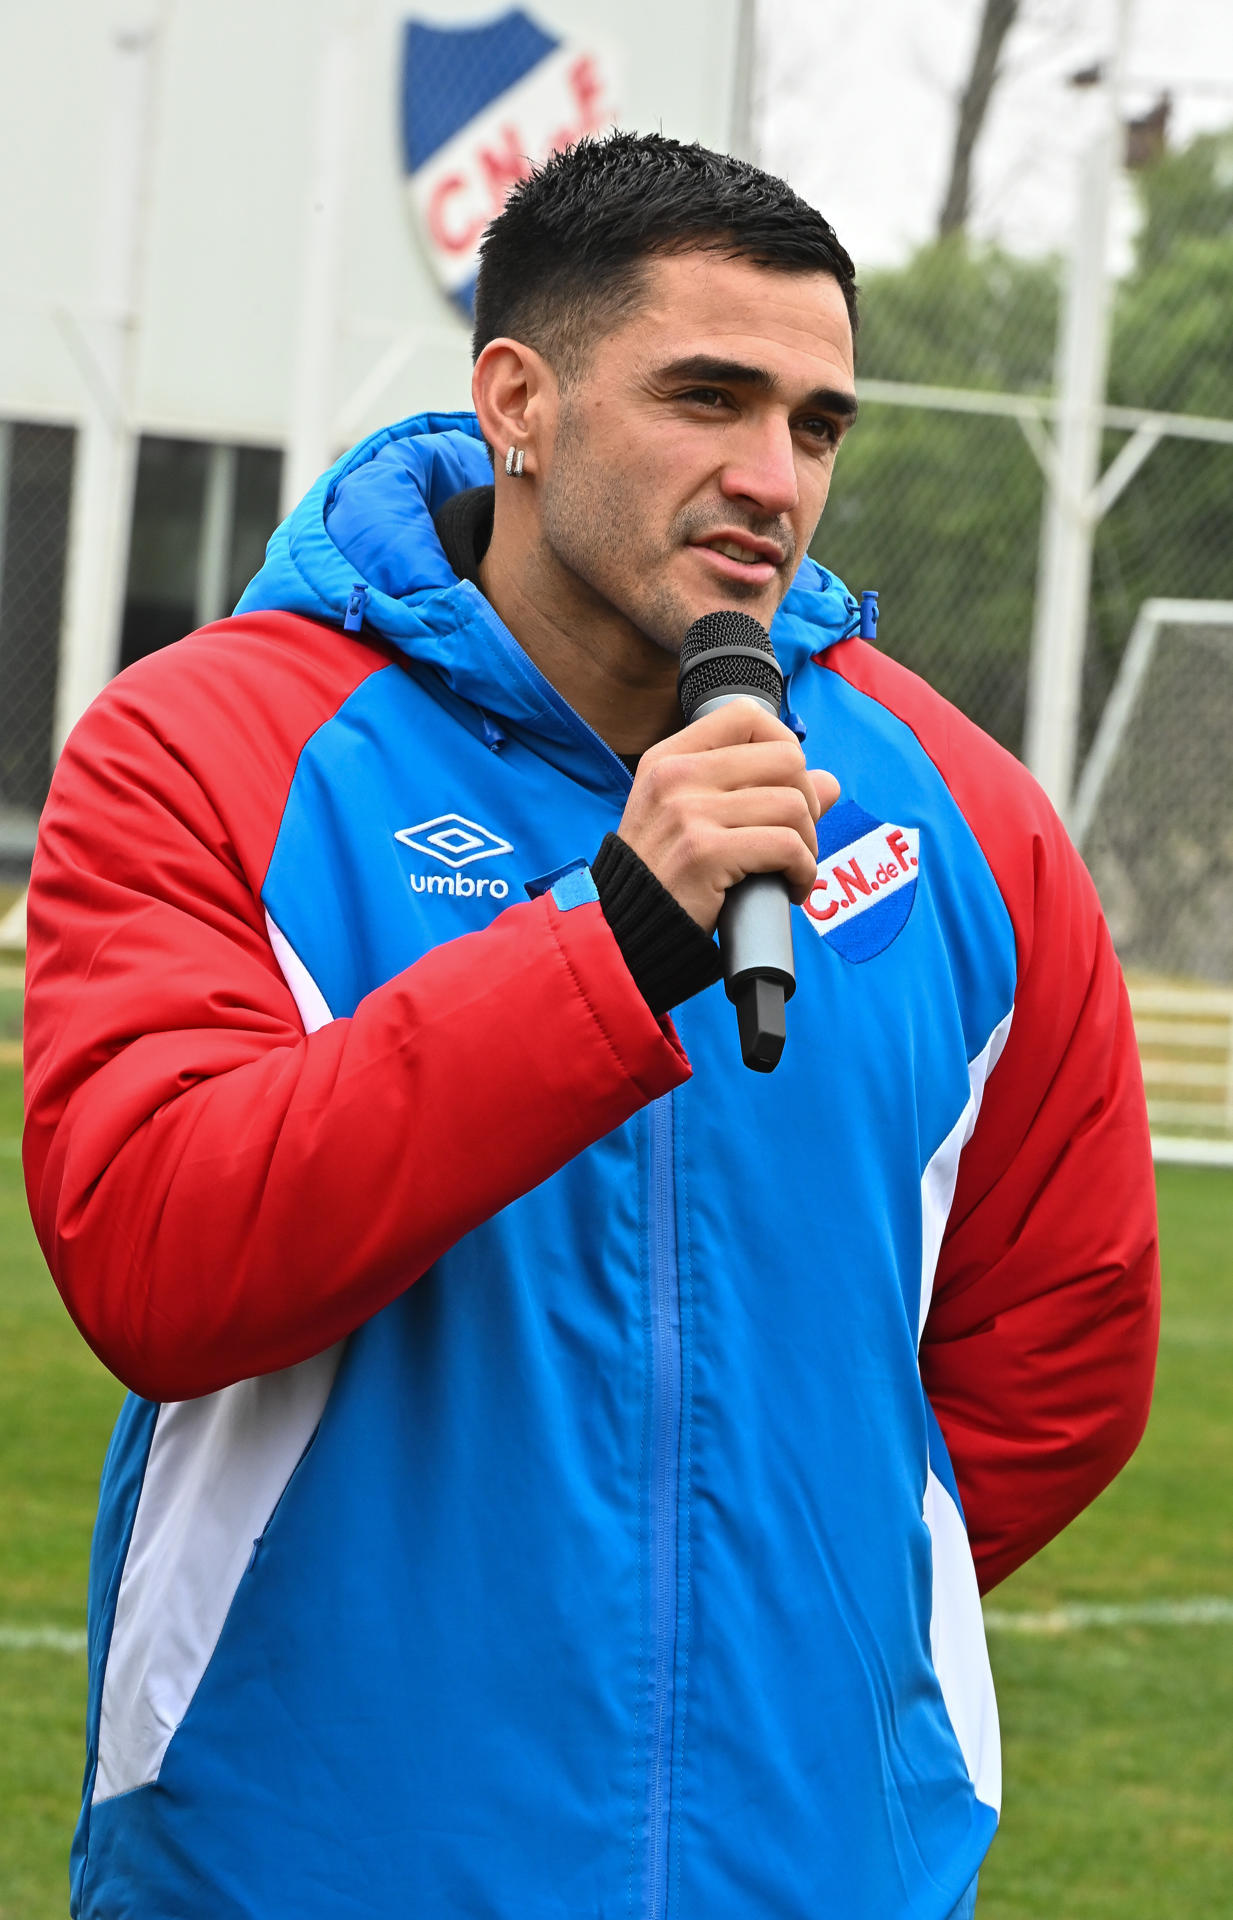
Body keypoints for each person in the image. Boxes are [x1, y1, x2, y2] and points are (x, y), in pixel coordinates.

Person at [23, 132, 1158, 1920]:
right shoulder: (210, 749)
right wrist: (614, 941)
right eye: (706, 396)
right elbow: (161, 1258)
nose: (770, 477)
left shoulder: (961, 814)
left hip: (815, 1865)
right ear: (517, 405)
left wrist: (774, 1641)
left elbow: (1061, 1353)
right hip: (309, 1857)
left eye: (815, 422)